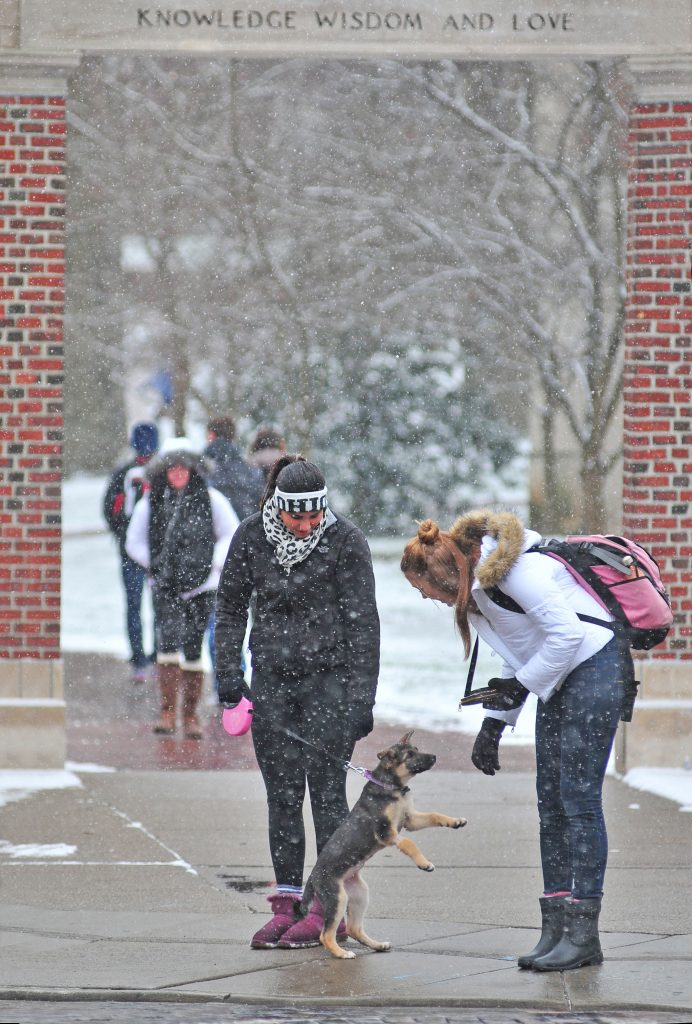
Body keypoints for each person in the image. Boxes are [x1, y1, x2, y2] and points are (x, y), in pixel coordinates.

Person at [400, 510, 632, 973]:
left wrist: (522, 686)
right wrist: (494, 723)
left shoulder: (519, 574)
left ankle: (584, 934)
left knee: (579, 803)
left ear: (443, 573)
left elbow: (566, 635)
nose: (424, 596)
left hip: (595, 671)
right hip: (564, 678)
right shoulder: (482, 591)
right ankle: (557, 927)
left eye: (421, 587)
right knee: (550, 806)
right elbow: (523, 648)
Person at [214, 454, 380, 949]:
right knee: (282, 797)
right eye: (296, 516)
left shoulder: (346, 541)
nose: (306, 526)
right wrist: (228, 673)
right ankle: (287, 904)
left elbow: (363, 625)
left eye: (314, 516)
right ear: (277, 506)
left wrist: (360, 699)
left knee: (328, 798)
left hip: (329, 684)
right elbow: (228, 607)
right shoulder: (251, 536)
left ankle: (328, 910)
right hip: (273, 685)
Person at [126, 437, 239, 739]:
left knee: (193, 648)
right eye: (172, 468)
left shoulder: (211, 499)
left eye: (183, 468)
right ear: (163, 471)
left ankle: (189, 716)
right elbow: (133, 541)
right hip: (164, 586)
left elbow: (231, 533)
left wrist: (214, 563)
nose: (177, 473)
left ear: (192, 470)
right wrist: (155, 563)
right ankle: (167, 712)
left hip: (202, 587)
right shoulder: (150, 502)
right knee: (166, 646)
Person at [102, 421, 159, 682]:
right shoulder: (163, 471)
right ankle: (159, 656)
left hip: (129, 551)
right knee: (160, 605)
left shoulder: (123, 472)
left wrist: (123, 535)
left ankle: (138, 660)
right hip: (158, 551)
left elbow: (108, 509)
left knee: (133, 605)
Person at [204, 415, 265, 520]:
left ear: (211, 435)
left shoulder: (203, 467)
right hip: (245, 529)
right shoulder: (249, 468)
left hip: (217, 530)